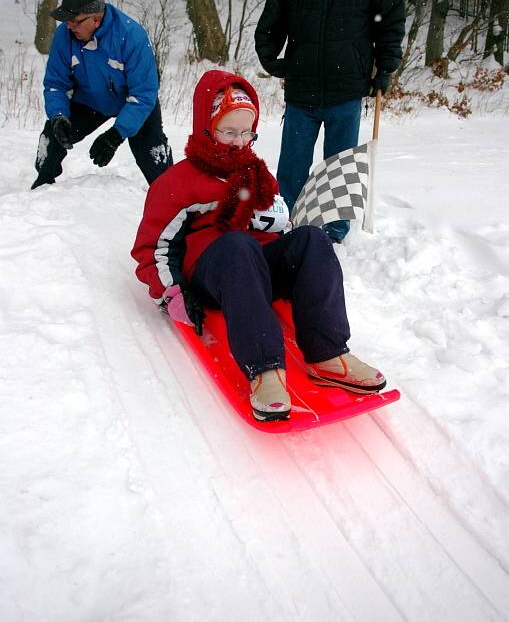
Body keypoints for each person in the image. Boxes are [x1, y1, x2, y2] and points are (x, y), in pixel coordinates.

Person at [131, 70, 386, 422]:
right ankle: (264, 368)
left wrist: (285, 232)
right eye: (228, 131)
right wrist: (172, 292)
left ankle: (327, 352)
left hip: (256, 267)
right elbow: (152, 248)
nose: (239, 141)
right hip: (214, 272)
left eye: (246, 132)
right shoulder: (179, 181)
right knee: (238, 246)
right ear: (207, 126)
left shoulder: (257, 172)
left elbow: (278, 222)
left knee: (312, 238)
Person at [255, 0, 405, 243]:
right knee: (292, 166)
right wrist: (274, 62)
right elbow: (269, 26)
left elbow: (392, 20)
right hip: (302, 93)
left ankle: (334, 232)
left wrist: (385, 68)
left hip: (347, 91)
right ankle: (285, 223)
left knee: (338, 168)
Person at [31, 0, 172, 189]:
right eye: (67, 20)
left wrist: (116, 135)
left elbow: (143, 94)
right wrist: (58, 115)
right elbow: (55, 84)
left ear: (96, 19)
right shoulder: (64, 35)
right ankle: (40, 193)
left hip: (132, 102)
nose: (69, 25)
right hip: (88, 100)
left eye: (75, 21)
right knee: (52, 138)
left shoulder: (132, 37)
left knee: (154, 158)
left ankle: (178, 205)